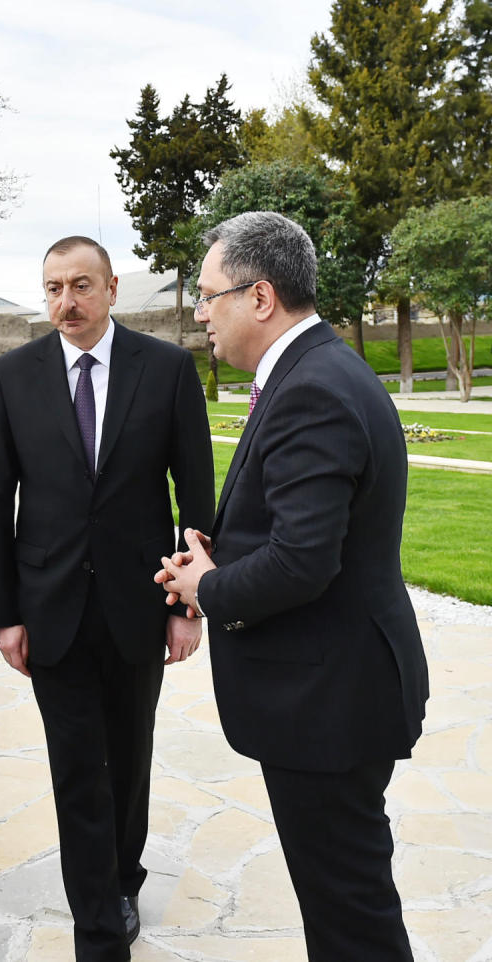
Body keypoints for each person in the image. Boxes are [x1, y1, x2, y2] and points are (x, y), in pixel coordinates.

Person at [156, 211, 429, 960]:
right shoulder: (313, 372)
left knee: (352, 921)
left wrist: (210, 588)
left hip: (329, 705)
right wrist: (219, 558)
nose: (200, 313)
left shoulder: (313, 388)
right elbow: (299, 531)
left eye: (209, 296)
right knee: (344, 906)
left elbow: (305, 561)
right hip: (335, 691)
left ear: (261, 296)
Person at [0, 236, 214, 959]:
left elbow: (195, 496)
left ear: (111, 287)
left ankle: (123, 878)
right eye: (52, 287)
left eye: (80, 285)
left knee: (129, 760)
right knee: (76, 768)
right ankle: (98, 932)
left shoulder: (167, 369)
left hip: (138, 605)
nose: (64, 302)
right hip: (50, 610)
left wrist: (185, 606)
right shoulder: (12, 377)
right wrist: (4, 614)